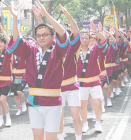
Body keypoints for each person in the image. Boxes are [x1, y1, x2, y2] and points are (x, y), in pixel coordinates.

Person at [8, 1, 70, 139]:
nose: (41, 37)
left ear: (52, 37)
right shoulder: (30, 50)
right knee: (37, 137)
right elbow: (16, 39)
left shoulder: (58, 52)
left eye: (45, 35)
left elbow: (62, 33)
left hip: (53, 102)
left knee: (51, 138)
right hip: (34, 102)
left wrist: (45, 14)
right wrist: (14, 18)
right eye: (38, 35)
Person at [51, 5, 83, 140]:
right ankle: (60, 138)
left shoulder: (72, 46)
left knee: (76, 115)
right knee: (59, 116)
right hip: (57, 88)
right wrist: (38, 16)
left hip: (72, 86)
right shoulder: (53, 46)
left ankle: (78, 137)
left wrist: (68, 15)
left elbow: (76, 30)